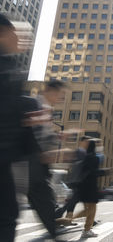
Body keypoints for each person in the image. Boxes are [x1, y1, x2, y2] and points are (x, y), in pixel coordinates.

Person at [0, 14, 31, 242]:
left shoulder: (11, 66)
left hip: (7, 155)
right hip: (4, 154)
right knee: (7, 216)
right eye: (16, 33)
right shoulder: (7, 68)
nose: (21, 39)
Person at [25, 80, 67, 238]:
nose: (61, 98)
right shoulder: (33, 103)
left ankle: (55, 234)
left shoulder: (48, 110)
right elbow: (28, 130)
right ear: (49, 90)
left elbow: (43, 136)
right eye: (59, 94)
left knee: (46, 203)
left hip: (37, 166)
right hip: (27, 164)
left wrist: (58, 137)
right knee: (44, 202)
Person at [55, 135, 91, 224]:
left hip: (78, 180)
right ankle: (58, 215)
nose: (88, 144)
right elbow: (78, 166)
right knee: (75, 200)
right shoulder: (79, 152)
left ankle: (67, 218)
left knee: (74, 200)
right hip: (77, 180)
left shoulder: (83, 152)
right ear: (82, 142)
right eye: (87, 142)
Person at [71, 140, 101, 238]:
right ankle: (85, 229)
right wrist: (104, 172)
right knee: (91, 210)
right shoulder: (95, 158)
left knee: (89, 209)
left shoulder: (85, 158)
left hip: (83, 187)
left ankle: (84, 227)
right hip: (91, 187)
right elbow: (93, 172)